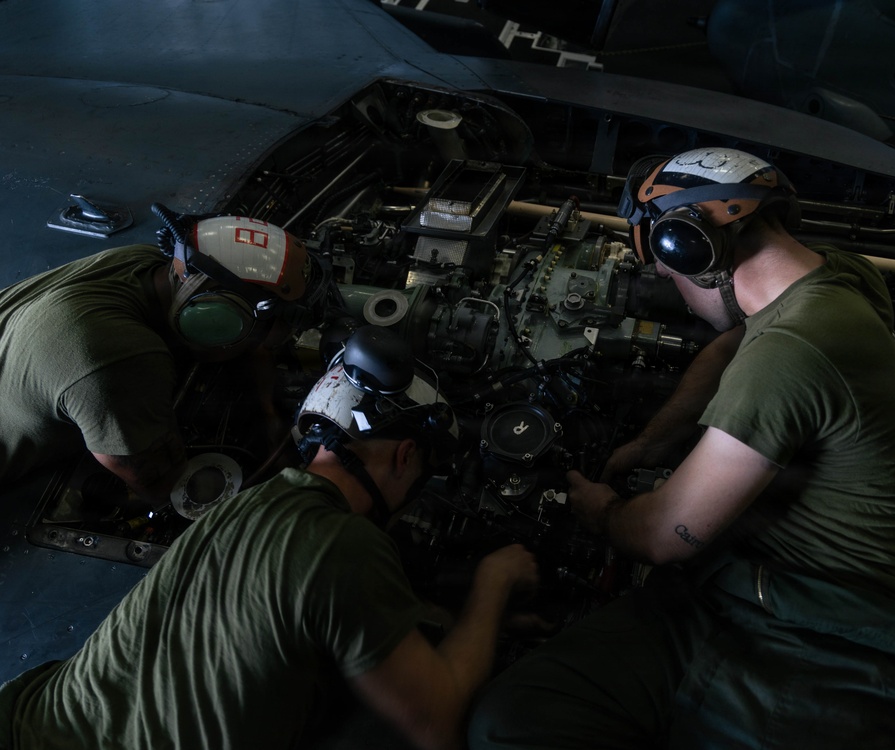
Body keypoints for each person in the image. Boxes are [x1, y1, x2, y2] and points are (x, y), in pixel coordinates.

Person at [468, 147, 895, 749]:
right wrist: (654, 439)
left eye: (669, 272)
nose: (673, 288)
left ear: (691, 249)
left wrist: (599, 510)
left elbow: (665, 534)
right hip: (733, 597)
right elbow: (733, 343)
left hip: (829, 654)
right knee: (516, 717)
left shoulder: (794, 352)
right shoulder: (837, 278)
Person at [0, 325, 539, 750]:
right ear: (404, 456)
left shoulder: (247, 504)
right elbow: (436, 726)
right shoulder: (345, 544)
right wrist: (492, 587)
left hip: (32, 719)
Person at [0, 205, 323, 510]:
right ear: (216, 319)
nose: (268, 338)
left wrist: (267, 415)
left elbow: (251, 347)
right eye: (266, 325)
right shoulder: (121, 359)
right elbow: (161, 486)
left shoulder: (147, 263)